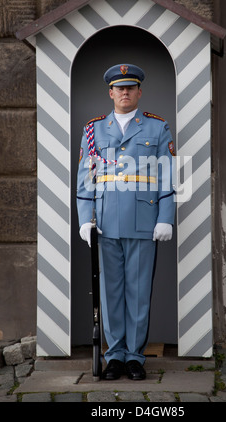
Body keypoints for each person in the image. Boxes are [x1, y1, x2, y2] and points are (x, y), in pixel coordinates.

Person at [76, 63, 175, 380]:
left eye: (130, 87)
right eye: (119, 88)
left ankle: (135, 357)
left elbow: (167, 177)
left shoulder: (157, 128)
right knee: (111, 293)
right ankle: (114, 356)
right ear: (111, 92)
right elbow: (86, 181)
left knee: (138, 291)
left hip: (144, 223)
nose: (125, 92)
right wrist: (84, 220)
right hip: (105, 224)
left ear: (139, 92)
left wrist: (165, 218)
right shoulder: (93, 130)